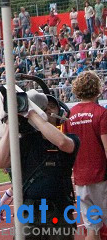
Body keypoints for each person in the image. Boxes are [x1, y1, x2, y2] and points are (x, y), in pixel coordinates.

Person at [0, 88, 78, 238]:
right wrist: (10, 124)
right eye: (45, 107)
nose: (47, 109)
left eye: (52, 106)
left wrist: (32, 113)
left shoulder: (71, 138)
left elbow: (63, 143)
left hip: (58, 211)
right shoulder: (25, 142)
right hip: (29, 212)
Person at [64, 72, 107, 240]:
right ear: (97, 89)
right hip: (101, 177)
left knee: (92, 228)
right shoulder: (101, 113)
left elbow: (67, 147)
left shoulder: (70, 115)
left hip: (81, 179)